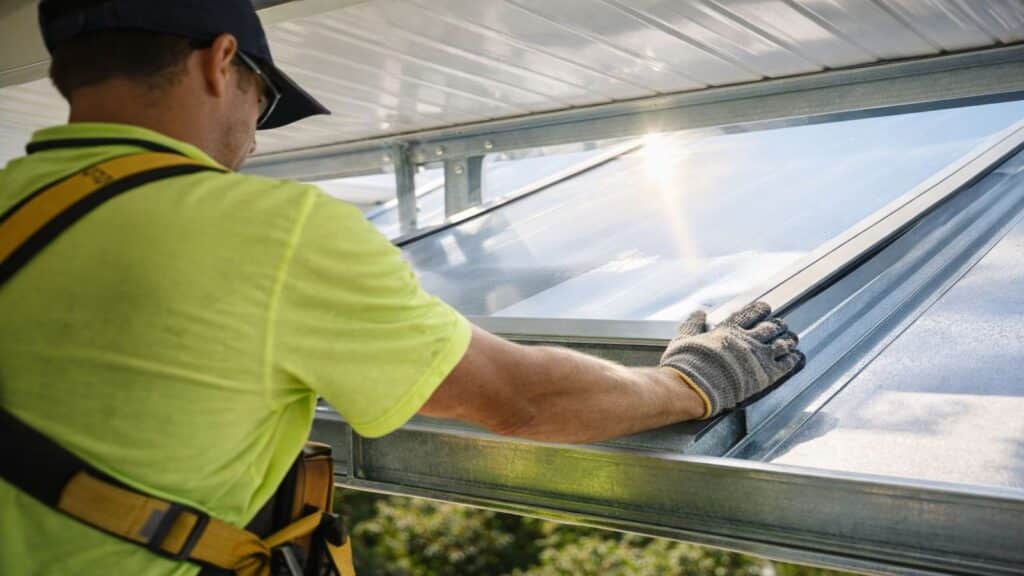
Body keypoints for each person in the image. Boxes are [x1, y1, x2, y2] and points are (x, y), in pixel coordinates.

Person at [0, 1, 803, 574]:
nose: (252, 133)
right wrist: (693, 380)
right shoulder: (269, 229)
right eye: (265, 100)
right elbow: (519, 400)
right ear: (220, 63)